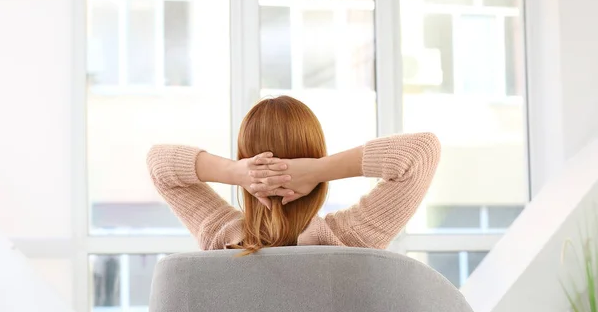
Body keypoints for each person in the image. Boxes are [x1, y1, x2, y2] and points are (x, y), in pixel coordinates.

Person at [147, 95, 440, 255]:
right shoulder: (348, 238)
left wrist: (234, 172)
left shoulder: (222, 237)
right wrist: (319, 169)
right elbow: (421, 152)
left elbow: (159, 164)